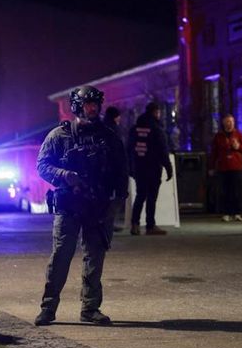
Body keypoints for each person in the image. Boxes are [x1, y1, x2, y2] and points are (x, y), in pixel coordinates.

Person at [34, 85, 128, 327]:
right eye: (88, 104)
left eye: (95, 104)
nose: (92, 108)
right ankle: (48, 307)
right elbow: (42, 165)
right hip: (69, 205)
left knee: (95, 258)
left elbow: (121, 170)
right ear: (77, 106)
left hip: (99, 207)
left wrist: (118, 200)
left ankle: (90, 308)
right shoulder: (59, 135)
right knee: (61, 255)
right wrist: (65, 175)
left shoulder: (109, 136)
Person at [127, 102, 173, 236]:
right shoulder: (156, 128)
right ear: (155, 112)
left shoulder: (134, 128)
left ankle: (135, 224)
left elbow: (129, 148)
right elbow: (162, 150)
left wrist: (131, 167)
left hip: (139, 167)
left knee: (140, 194)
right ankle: (150, 225)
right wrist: (168, 168)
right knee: (151, 197)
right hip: (153, 167)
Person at [209, 114, 242, 222]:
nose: (229, 124)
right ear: (224, 123)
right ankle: (226, 212)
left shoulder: (239, 134)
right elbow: (214, 152)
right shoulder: (218, 136)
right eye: (227, 122)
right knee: (225, 191)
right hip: (223, 167)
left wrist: (238, 147)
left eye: (231, 122)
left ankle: (237, 212)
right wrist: (211, 167)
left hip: (236, 166)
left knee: (237, 190)